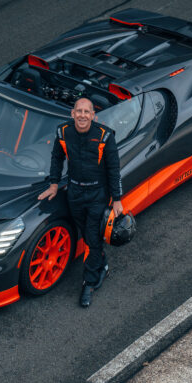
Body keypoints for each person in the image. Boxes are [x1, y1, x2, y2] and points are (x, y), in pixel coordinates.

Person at [38, 97, 124, 307]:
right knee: (86, 235)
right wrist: (53, 184)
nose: (83, 115)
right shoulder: (63, 132)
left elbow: (114, 169)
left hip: (98, 195)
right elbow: (57, 158)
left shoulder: (105, 136)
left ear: (93, 116)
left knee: (93, 239)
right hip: (74, 193)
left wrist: (117, 199)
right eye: (79, 111)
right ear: (72, 114)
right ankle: (101, 264)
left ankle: (90, 283)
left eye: (87, 112)